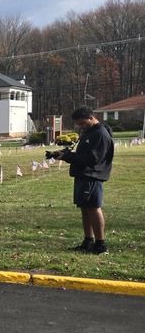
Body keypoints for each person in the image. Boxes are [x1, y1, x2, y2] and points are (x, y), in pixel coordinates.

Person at [53, 107, 115, 255]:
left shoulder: (100, 133)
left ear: (91, 117)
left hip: (92, 175)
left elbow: (92, 159)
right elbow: (83, 154)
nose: (80, 127)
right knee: (84, 208)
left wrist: (67, 157)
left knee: (93, 207)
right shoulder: (89, 132)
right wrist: (64, 153)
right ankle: (88, 241)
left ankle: (101, 244)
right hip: (83, 175)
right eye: (78, 124)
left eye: (82, 123)